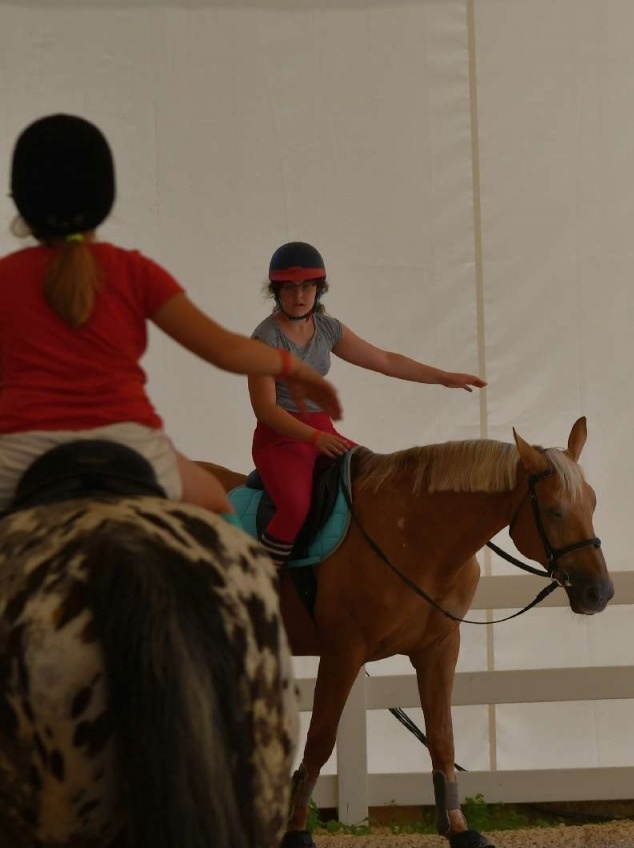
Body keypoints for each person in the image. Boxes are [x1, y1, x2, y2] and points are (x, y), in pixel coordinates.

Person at [0, 114, 341, 514]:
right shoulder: (134, 272)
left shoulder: (5, 277)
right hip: (133, 445)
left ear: (21, 198)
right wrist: (295, 368)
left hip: (18, 451)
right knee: (221, 512)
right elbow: (227, 351)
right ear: (104, 198)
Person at [247, 240, 486, 565]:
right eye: (289, 288)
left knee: (374, 483)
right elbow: (266, 409)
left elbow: (385, 360)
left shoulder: (327, 328)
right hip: (281, 439)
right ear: (276, 292)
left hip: (322, 431)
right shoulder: (265, 340)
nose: (299, 296)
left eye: (307, 287)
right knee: (295, 508)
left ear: (320, 289)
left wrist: (443, 377)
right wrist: (314, 438)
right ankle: (257, 584)